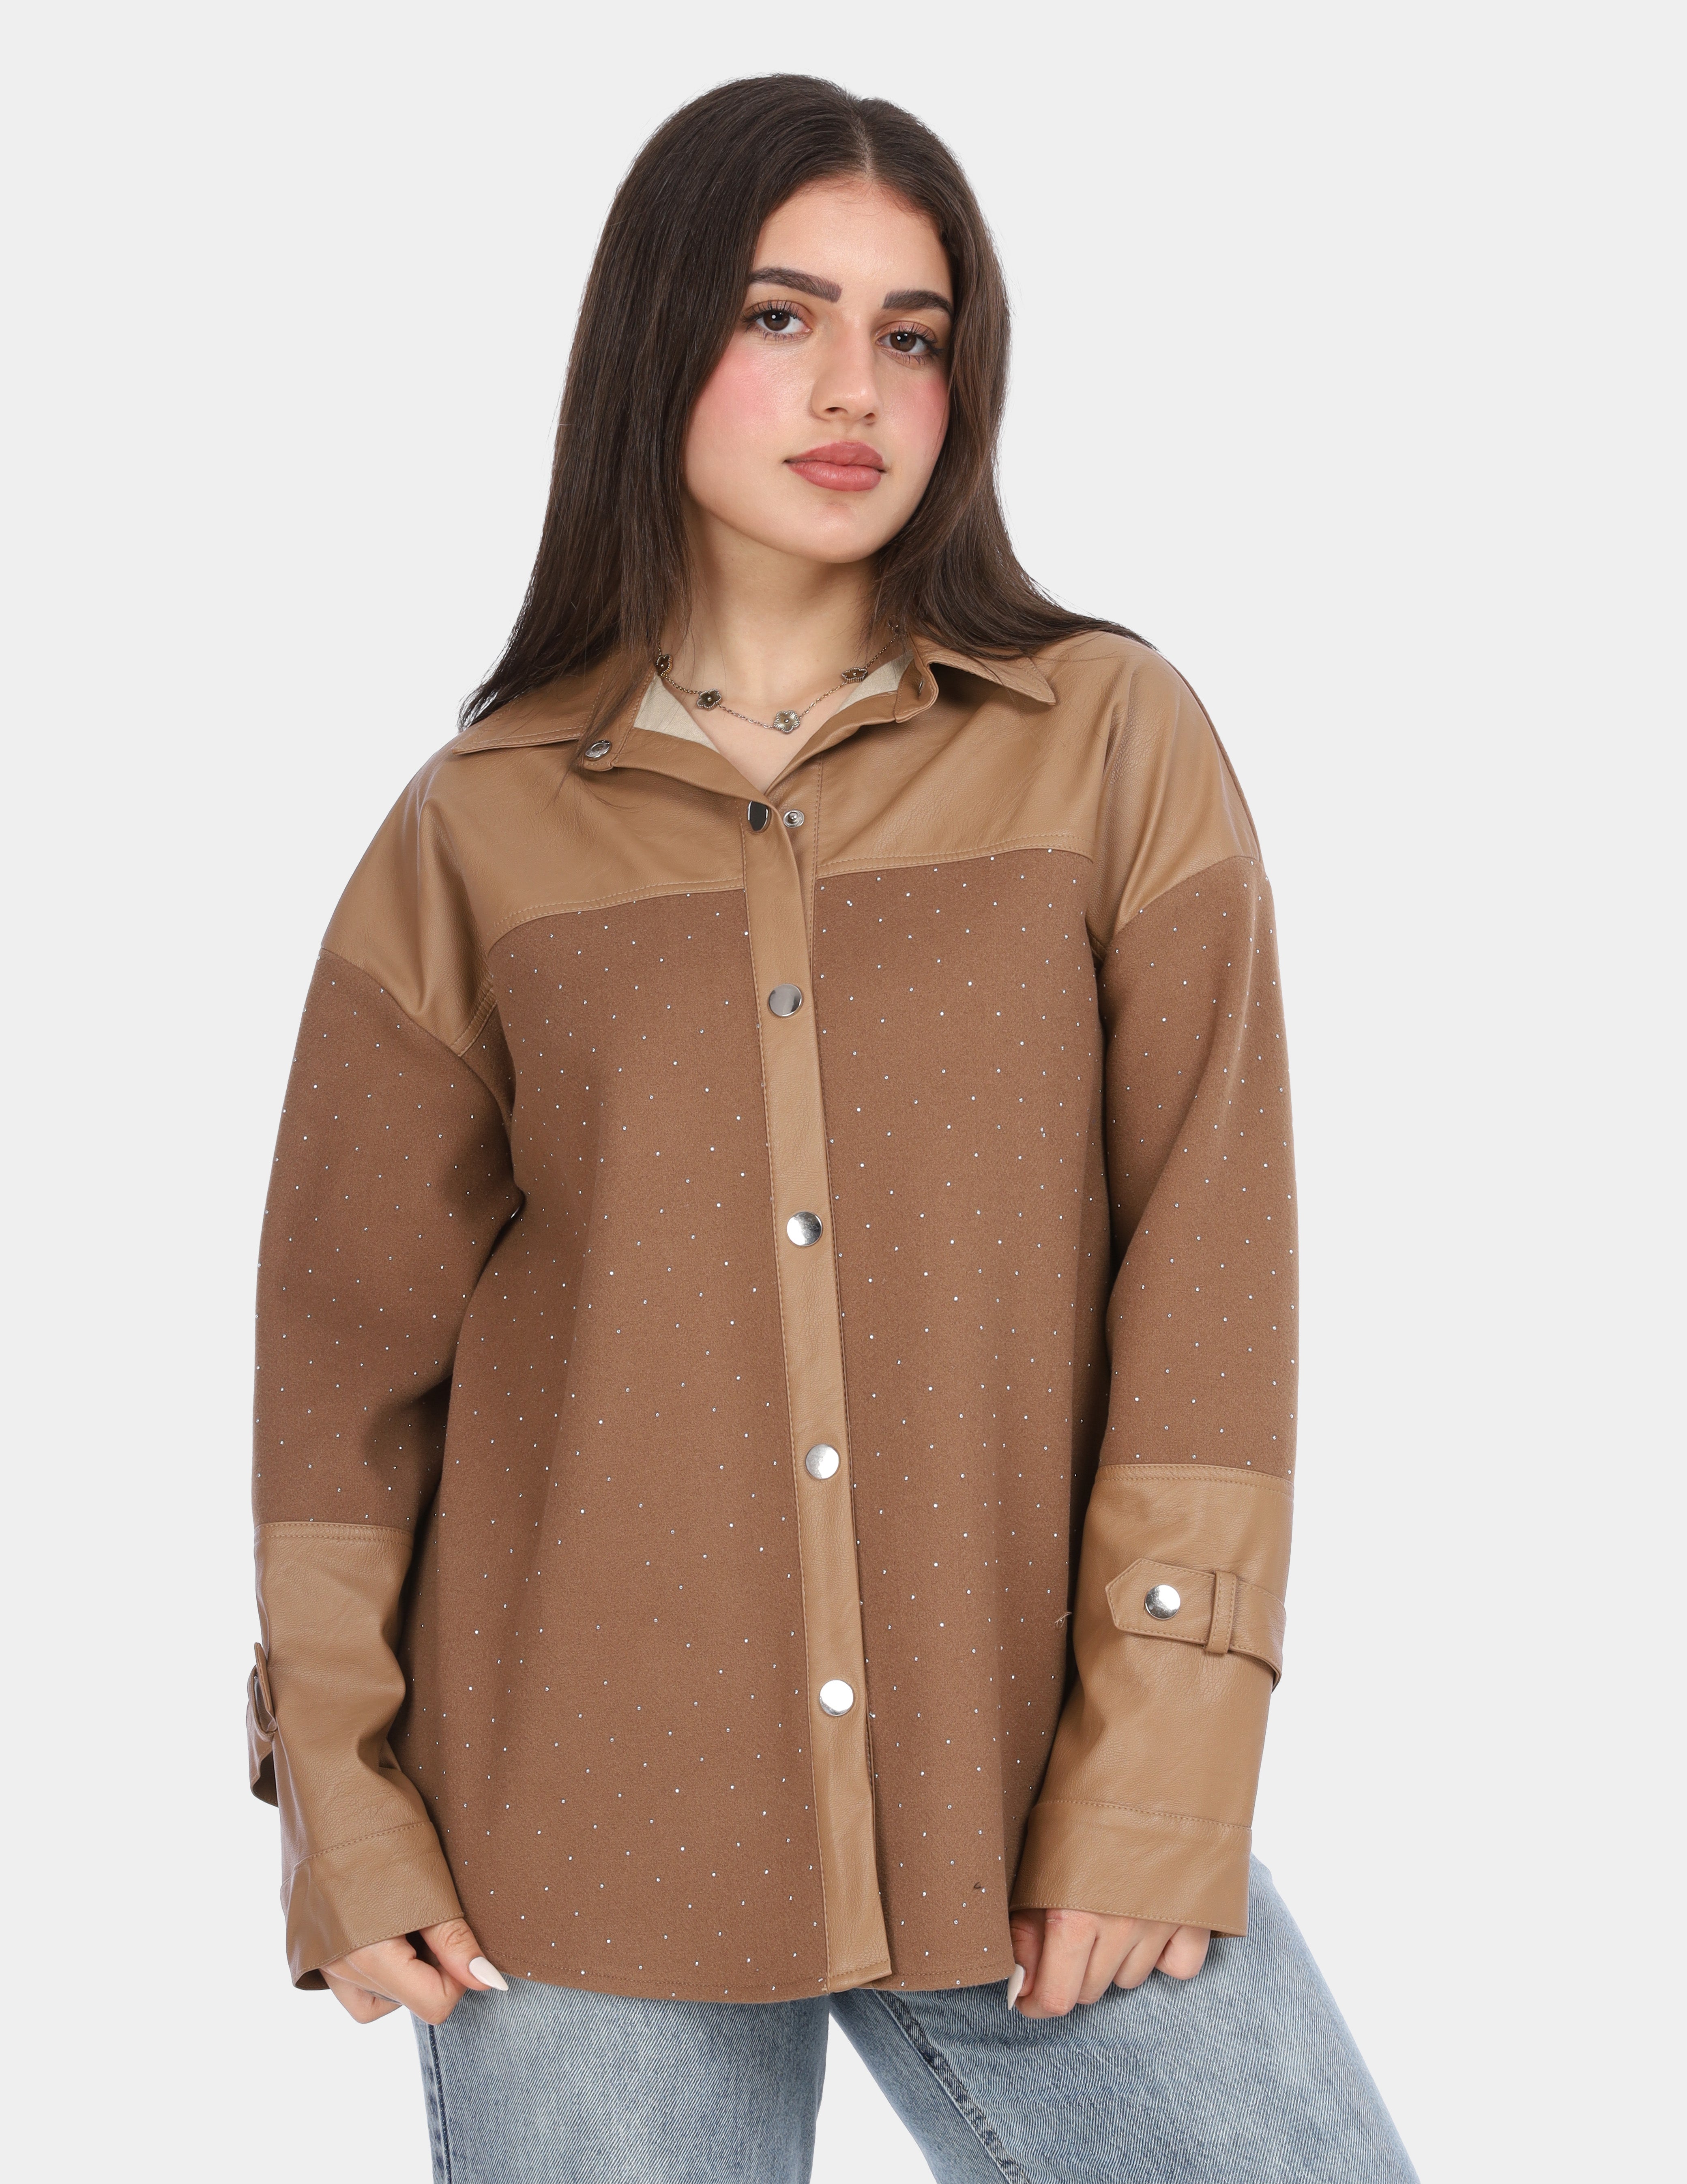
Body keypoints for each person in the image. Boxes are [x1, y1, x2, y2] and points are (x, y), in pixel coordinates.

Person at [246, 72, 1417, 2183]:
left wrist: (1166, 1747)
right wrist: (340, 1788)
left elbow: (1212, 1263)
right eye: (781, 316)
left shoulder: (1110, 745)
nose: (856, 387)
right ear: (658, 338)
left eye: (915, 331)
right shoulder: (477, 831)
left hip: (1026, 1782)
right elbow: (345, 1357)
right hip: (577, 1835)